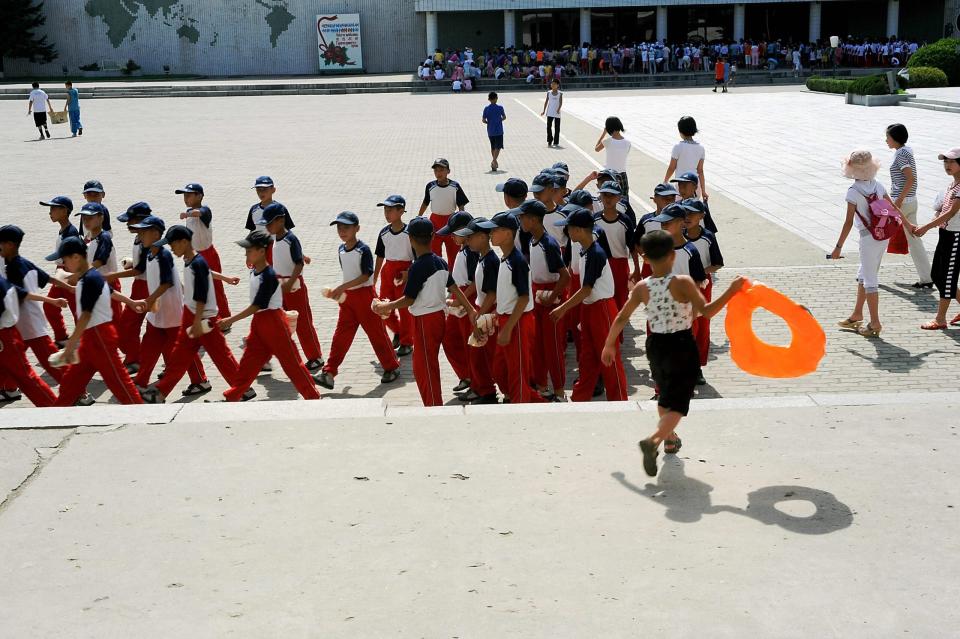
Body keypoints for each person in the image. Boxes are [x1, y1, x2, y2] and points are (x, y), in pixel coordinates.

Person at [603, 230, 745, 477]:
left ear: (644, 258)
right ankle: (654, 440)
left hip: (655, 346)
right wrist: (732, 290)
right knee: (679, 403)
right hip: (681, 346)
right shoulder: (683, 283)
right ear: (672, 255)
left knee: (665, 395)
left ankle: (670, 438)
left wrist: (609, 344)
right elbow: (708, 311)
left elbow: (621, 317)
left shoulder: (642, 287)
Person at [140, 225, 251, 403]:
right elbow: (208, 273)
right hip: (192, 316)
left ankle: (242, 388)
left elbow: (200, 296)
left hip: (204, 318)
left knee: (221, 356)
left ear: (184, 242)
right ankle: (160, 393)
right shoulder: (191, 260)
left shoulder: (197, 263)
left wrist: (197, 321)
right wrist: (225, 278)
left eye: (173, 244)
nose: (171, 248)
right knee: (179, 356)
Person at [371, 217, 474, 407]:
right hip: (437, 317)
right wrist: (471, 310)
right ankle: (433, 402)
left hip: (426, 320)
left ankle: (434, 405)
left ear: (410, 238)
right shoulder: (440, 261)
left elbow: (409, 299)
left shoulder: (418, 267)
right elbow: (455, 289)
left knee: (425, 367)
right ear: (433, 236)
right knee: (426, 364)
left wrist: (386, 307)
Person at [218, 231, 320, 402]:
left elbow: (258, 305)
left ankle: (313, 397)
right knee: (249, 362)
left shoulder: (268, 275)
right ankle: (234, 395)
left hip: (273, 322)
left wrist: (230, 319)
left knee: (292, 364)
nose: (246, 254)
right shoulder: (255, 272)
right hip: (259, 323)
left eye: (250, 250)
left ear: (262, 251)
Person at [48, 237, 145, 406]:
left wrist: (69, 347)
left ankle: (140, 415)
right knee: (70, 383)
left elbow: (85, 316)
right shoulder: (92, 275)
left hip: (100, 337)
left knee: (120, 384)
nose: (64, 264)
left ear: (76, 257)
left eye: (65, 260)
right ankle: (57, 414)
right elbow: (111, 291)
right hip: (90, 340)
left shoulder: (88, 280)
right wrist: (131, 302)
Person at [121, 216, 210, 395]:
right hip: (157, 313)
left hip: (172, 313)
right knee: (148, 348)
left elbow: (167, 283)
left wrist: (149, 300)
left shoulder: (164, 255)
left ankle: (200, 380)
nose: (140, 235)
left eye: (144, 232)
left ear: (155, 234)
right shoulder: (149, 253)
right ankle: (140, 381)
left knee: (182, 351)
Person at [315, 212, 401, 390]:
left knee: (376, 334)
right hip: (348, 300)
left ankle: (391, 367)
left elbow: (365, 275)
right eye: (339, 227)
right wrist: (341, 291)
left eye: (346, 227)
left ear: (357, 229)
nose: (342, 231)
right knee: (341, 336)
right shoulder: (341, 249)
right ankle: (329, 372)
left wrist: (342, 287)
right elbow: (349, 273)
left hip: (365, 297)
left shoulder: (363, 250)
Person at [551, 206, 627, 402]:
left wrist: (562, 308)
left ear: (579, 230)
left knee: (609, 360)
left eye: (569, 228)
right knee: (587, 359)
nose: (567, 232)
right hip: (590, 309)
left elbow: (586, 289)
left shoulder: (595, 252)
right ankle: (580, 399)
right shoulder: (585, 251)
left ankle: (619, 401)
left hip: (602, 309)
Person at [832, 150, 911, 338]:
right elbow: (894, 208)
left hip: (868, 238)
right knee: (864, 273)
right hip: (882, 236)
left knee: (869, 280)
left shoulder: (853, 191)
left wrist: (838, 247)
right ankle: (857, 314)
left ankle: (875, 322)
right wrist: (909, 225)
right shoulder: (878, 185)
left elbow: (848, 222)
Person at [475, 212, 543, 404]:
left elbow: (523, 298)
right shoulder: (505, 259)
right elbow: (508, 296)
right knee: (500, 368)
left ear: (507, 233)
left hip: (518, 323)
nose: (491, 234)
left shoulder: (517, 261)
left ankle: (520, 406)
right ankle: (524, 399)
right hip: (507, 320)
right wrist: (497, 316)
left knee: (517, 372)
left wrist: (508, 328)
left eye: (494, 230)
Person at [259, 202, 324, 373]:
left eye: (269, 223)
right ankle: (270, 356)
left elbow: (298, 263)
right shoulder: (275, 239)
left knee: (303, 323)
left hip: (293, 286)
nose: (267, 227)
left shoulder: (291, 239)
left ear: (281, 220)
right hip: (280, 285)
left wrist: (290, 282)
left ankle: (315, 357)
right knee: (279, 321)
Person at [517, 199, 570, 401]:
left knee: (553, 346)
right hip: (537, 294)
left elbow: (564, 276)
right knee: (537, 344)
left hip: (550, 296)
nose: (520, 220)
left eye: (523, 217)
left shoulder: (548, 243)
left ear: (533, 219)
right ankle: (541, 384)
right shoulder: (531, 240)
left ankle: (558, 389)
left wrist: (553, 297)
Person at [0, 225, 65, 385]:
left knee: (50, 360)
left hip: (28, 323)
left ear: (9, 245)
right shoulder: (24, 262)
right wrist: (69, 287)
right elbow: (47, 278)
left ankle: (79, 392)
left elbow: (22, 295)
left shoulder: (13, 268)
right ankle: (8, 388)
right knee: (8, 360)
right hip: (20, 323)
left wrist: (52, 301)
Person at [0, 273, 66, 407]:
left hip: (5, 336)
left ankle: (53, 407)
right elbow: (23, 293)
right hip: (8, 333)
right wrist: (51, 300)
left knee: (25, 377)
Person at [912, 148, 960, 329]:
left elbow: (950, 213)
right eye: (945, 162)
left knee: (947, 278)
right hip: (945, 234)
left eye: (952, 162)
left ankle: (940, 320)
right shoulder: (951, 186)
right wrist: (929, 223)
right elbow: (941, 211)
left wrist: (925, 227)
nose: (947, 165)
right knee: (937, 276)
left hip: (956, 236)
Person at [456, 217, 501, 404]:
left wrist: (480, 315)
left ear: (483, 237)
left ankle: (491, 392)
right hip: (483, 309)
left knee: (488, 356)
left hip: (488, 312)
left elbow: (492, 294)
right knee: (477, 355)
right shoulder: (482, 258)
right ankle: (486, 390)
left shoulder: (491, 260)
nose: (468, 241)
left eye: (471, 237)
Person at [885, 124, 932, 289]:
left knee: (880, 234)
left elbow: (910, 178)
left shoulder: (900, 155)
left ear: (895, 138)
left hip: (902, 203)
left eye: (888, 137)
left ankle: (866, 274)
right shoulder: (907, 151)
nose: (886, 140)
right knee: (915, 241)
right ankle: (927, 278)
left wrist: (898, 200)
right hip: (912, 201)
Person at [436, 212, 477, 397]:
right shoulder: (463, 248)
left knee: (471, 344)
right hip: (459, 298)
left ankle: (477, 383)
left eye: (454, 233)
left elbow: (475, 281)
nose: (451, 237)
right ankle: (466, 375)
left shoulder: (472, 252)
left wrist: (462, 300)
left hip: (468, 299)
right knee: (450, 338)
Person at [176, 182, 232, 319]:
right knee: (199, 288)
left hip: (209, 254)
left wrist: (187, 214)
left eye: (189, 195)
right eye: (184, 195)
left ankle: (225, 318)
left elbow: (199, 213)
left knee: (216, 287)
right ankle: (206, 317)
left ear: (199, 196)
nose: (185, 198)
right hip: (195, 255)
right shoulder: (189, 215)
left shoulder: (205, 210)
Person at [681, 200, 724, 377]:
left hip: (702, 285)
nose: (688, 217)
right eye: (685, 213)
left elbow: (717, 263)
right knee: (685, 325)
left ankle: (697, 367)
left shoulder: (708, 237)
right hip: (682, 286)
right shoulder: (679, 235)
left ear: (702, 216)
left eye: (692, 213)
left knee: (702, 325)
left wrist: (701, 272)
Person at [373, 194, 415, 356]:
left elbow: (418, 255)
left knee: (404, 310)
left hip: (404, 272)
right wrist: (375, 277)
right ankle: (397, 331)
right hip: (387, 271)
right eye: (385, 209)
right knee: (384, 307)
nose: (386, 213)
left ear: (401, 211)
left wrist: (409, 273)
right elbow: (380, 256)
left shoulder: (409, 232)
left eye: (390, 210)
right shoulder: (383, 233)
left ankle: (407, 342)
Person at [114, 202, 153, 373]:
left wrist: (110, 276)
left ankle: (134, 360)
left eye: (130, 221)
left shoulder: (147, 241)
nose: (127, 224)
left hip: (147, 287)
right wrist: (132, 261)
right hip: (140, 285)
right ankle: (135, 357)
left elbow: (140, 269)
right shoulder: (139, 237)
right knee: (129, 325)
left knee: (129, 325)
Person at [39, 196, 79, 346]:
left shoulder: (71, 232)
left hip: (68, 273)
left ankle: (85, 342)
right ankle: (62, 338)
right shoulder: (64, 230)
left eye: (54, 209)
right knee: (50, 306)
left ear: (64, 211)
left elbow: (74, 258)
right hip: (62, 272)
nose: (50, 213)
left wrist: (71, 277)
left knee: (77, 311)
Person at [417, 158, 469, 265]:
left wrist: (461, 222)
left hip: (451, 222)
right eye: (436, 170)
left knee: (453, 251)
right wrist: (418, 217)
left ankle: (452, 276)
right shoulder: (430, 186)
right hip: (434, 222)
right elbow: (425, 202)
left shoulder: (455, 186)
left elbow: (461, 204)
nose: (438, 173)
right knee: (434, 252)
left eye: (441, 170)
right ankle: (438, 272)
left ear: (448, 171)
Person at [593, 180, 636, 310]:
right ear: (600, 196)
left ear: (619, 197)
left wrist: (637, 270)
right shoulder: (595, 219)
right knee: (603, 299)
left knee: (620, 299)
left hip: (620, 265)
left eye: (612, 195)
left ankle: (619, 329)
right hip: (601, 264)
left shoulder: (625, 220)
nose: (608, 198)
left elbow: (632, 246)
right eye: (605, 195)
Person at [664, 116, 708, 202]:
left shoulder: (678, 147)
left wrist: (665, 181)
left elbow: (672, 167)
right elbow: (700, 171)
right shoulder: (701, 148)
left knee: (679, 211)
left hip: (681, 186)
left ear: (680, 131)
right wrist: (703, 191)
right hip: (695, 185)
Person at [594, 116, 631, 195]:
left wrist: (604, 133)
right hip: (622, 175)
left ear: (609, 128)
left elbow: (596, 149)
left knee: (608, 199)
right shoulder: (627, 143)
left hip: (609, 175)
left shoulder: (607, 141)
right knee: (624, 199)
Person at [482, 92, 507, 172]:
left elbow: (483, 120)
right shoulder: (500, 107)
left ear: (489, 99)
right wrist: (499, 120)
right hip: (499, 130)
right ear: (497, 98)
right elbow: (504, 117)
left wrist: (488, 123)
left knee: (493, 146)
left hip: (490, 130)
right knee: (498, 146)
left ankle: (494, 164)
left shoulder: (486, 108)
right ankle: (494, 161)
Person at [540, 79, 563, 147]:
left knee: (557, 128)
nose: (552, 85)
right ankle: (550, 140)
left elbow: (561, 102)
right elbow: (546, 102)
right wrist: (544, 111)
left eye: (554, 84)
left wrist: (558, 109)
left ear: (557, 85)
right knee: (548, 127)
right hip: (550, 112)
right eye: (552, 84)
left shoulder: (560, 93)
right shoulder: (549, 93)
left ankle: (556, 142)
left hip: (557, 113)